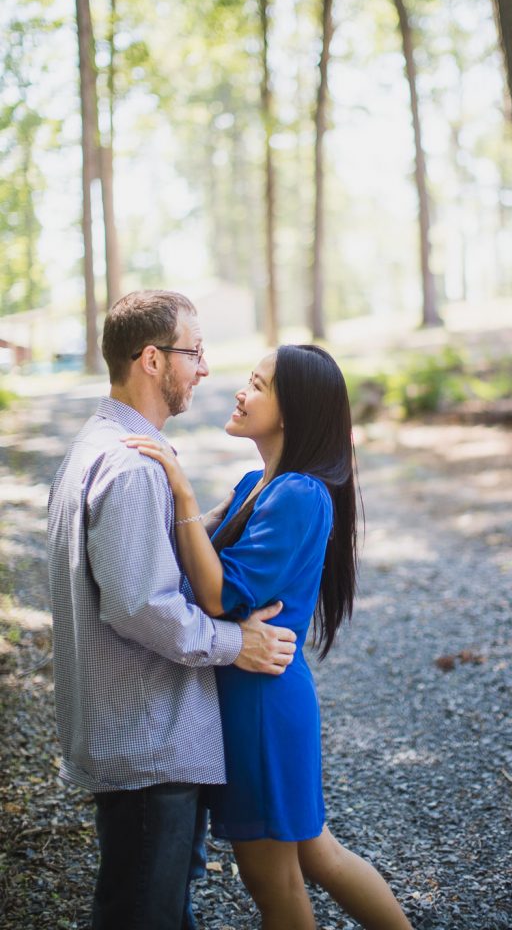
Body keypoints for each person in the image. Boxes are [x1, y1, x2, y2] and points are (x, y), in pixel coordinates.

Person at [125, 344, 412, 930]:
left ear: (292, 411)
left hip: (261, 703)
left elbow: (217, 594)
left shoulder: (298, 495)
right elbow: (193, 556)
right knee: (314, 855)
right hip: (255, 694)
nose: (240, 391)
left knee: (274, 876)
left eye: (257, 385)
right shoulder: (261, 482)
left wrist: (180, 492)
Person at [47, 290, 297, 930]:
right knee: (142, 916)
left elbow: (139, 561)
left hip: (135, 740)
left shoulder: (100, 444)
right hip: (149, 744)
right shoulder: (132, 467)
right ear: (153, 360)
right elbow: (140, 605)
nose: (205, 369)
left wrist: (206, 514)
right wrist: (233, 643)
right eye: (195, 352)